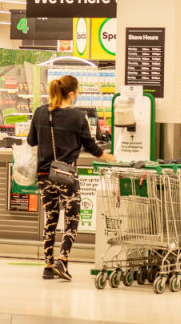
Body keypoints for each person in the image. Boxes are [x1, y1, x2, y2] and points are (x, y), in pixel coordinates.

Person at [27, 74, 116, 281]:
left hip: (43, 175)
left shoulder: (40, 112)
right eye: (78, 92)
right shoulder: (78, 116)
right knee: (72, 218)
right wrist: (109, 157)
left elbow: (31, 141)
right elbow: (92, 147)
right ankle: (63, 260)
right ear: (71, 93)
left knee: (50, 217)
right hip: (66, 175)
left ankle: (48, 266)